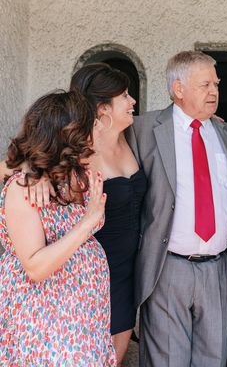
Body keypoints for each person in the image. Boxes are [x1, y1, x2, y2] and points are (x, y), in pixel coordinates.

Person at [126, 51, 227, 366]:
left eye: (216, 84)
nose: (214, 92)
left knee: (213, 360)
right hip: (168, 267)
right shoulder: (142, 130)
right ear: (178, 89)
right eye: (205, 84)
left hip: (220, 268)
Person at [0, 91, 116, 365]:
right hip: (46, 320)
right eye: (92, 123)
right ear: (69, 134)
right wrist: (87, 222)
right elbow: (35, 267)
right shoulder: (23, 189)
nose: (99, 127)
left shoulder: (81, 171)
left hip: (84, 320)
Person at [69, 63, 147, 364]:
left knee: (114, 356)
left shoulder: (133, 136)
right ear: (102, 109)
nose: (133, 102)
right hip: (92, 273)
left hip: (129, 270)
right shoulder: (74, 149)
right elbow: (14, 166)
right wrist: (32, 179)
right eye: (125, 96)